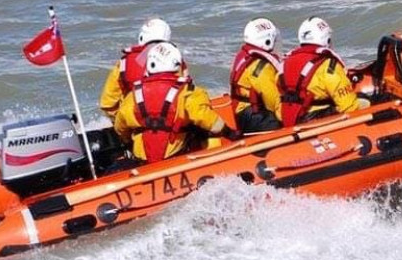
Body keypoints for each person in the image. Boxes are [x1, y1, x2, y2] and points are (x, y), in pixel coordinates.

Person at [113, 42, 241, 163]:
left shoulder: (132, 96)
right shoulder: (187, 93)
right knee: (205, 132)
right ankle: (214, 163)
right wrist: (231, 133)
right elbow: (211, 123)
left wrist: (129, 141)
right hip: (175, 155)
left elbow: (120, 127)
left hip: (143, 159)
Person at [278, 16, 369, 127]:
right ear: (326, 40)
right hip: (314, 118)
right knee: (366, 102)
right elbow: (349, 106)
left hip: (287, 116)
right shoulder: (328, 66)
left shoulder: (285, 63)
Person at [99, 18, 188, 119]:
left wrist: (120, 122)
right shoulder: (175, 60)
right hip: (172, 122)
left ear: (142, 36)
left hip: (135, 120)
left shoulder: (124, 63)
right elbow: (187, 93)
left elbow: (108, 104)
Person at [229, 18, 284, 133]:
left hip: (243, 111)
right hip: (252, 115)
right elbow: (273, 101)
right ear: (267, 41)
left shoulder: (246, 54)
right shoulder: (260, 67)